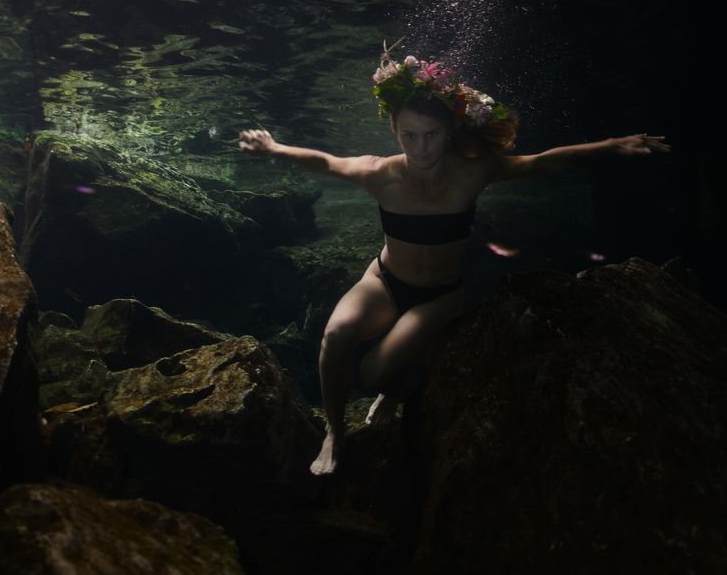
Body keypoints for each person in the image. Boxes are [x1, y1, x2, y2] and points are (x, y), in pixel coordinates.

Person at [238, 42, 671, 476]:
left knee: (373, 375)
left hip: (440, 294)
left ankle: (397, 390)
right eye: (409, 135)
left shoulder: (474, 171)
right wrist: (275, 149)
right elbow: (325, 162)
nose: (421, 147)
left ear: (448, 133)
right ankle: (334, 432)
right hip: (385, 280)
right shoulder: (378, 173)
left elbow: (541, 163)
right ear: (394, 131)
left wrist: (613, 144)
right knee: (336, 335)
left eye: (431, 135)